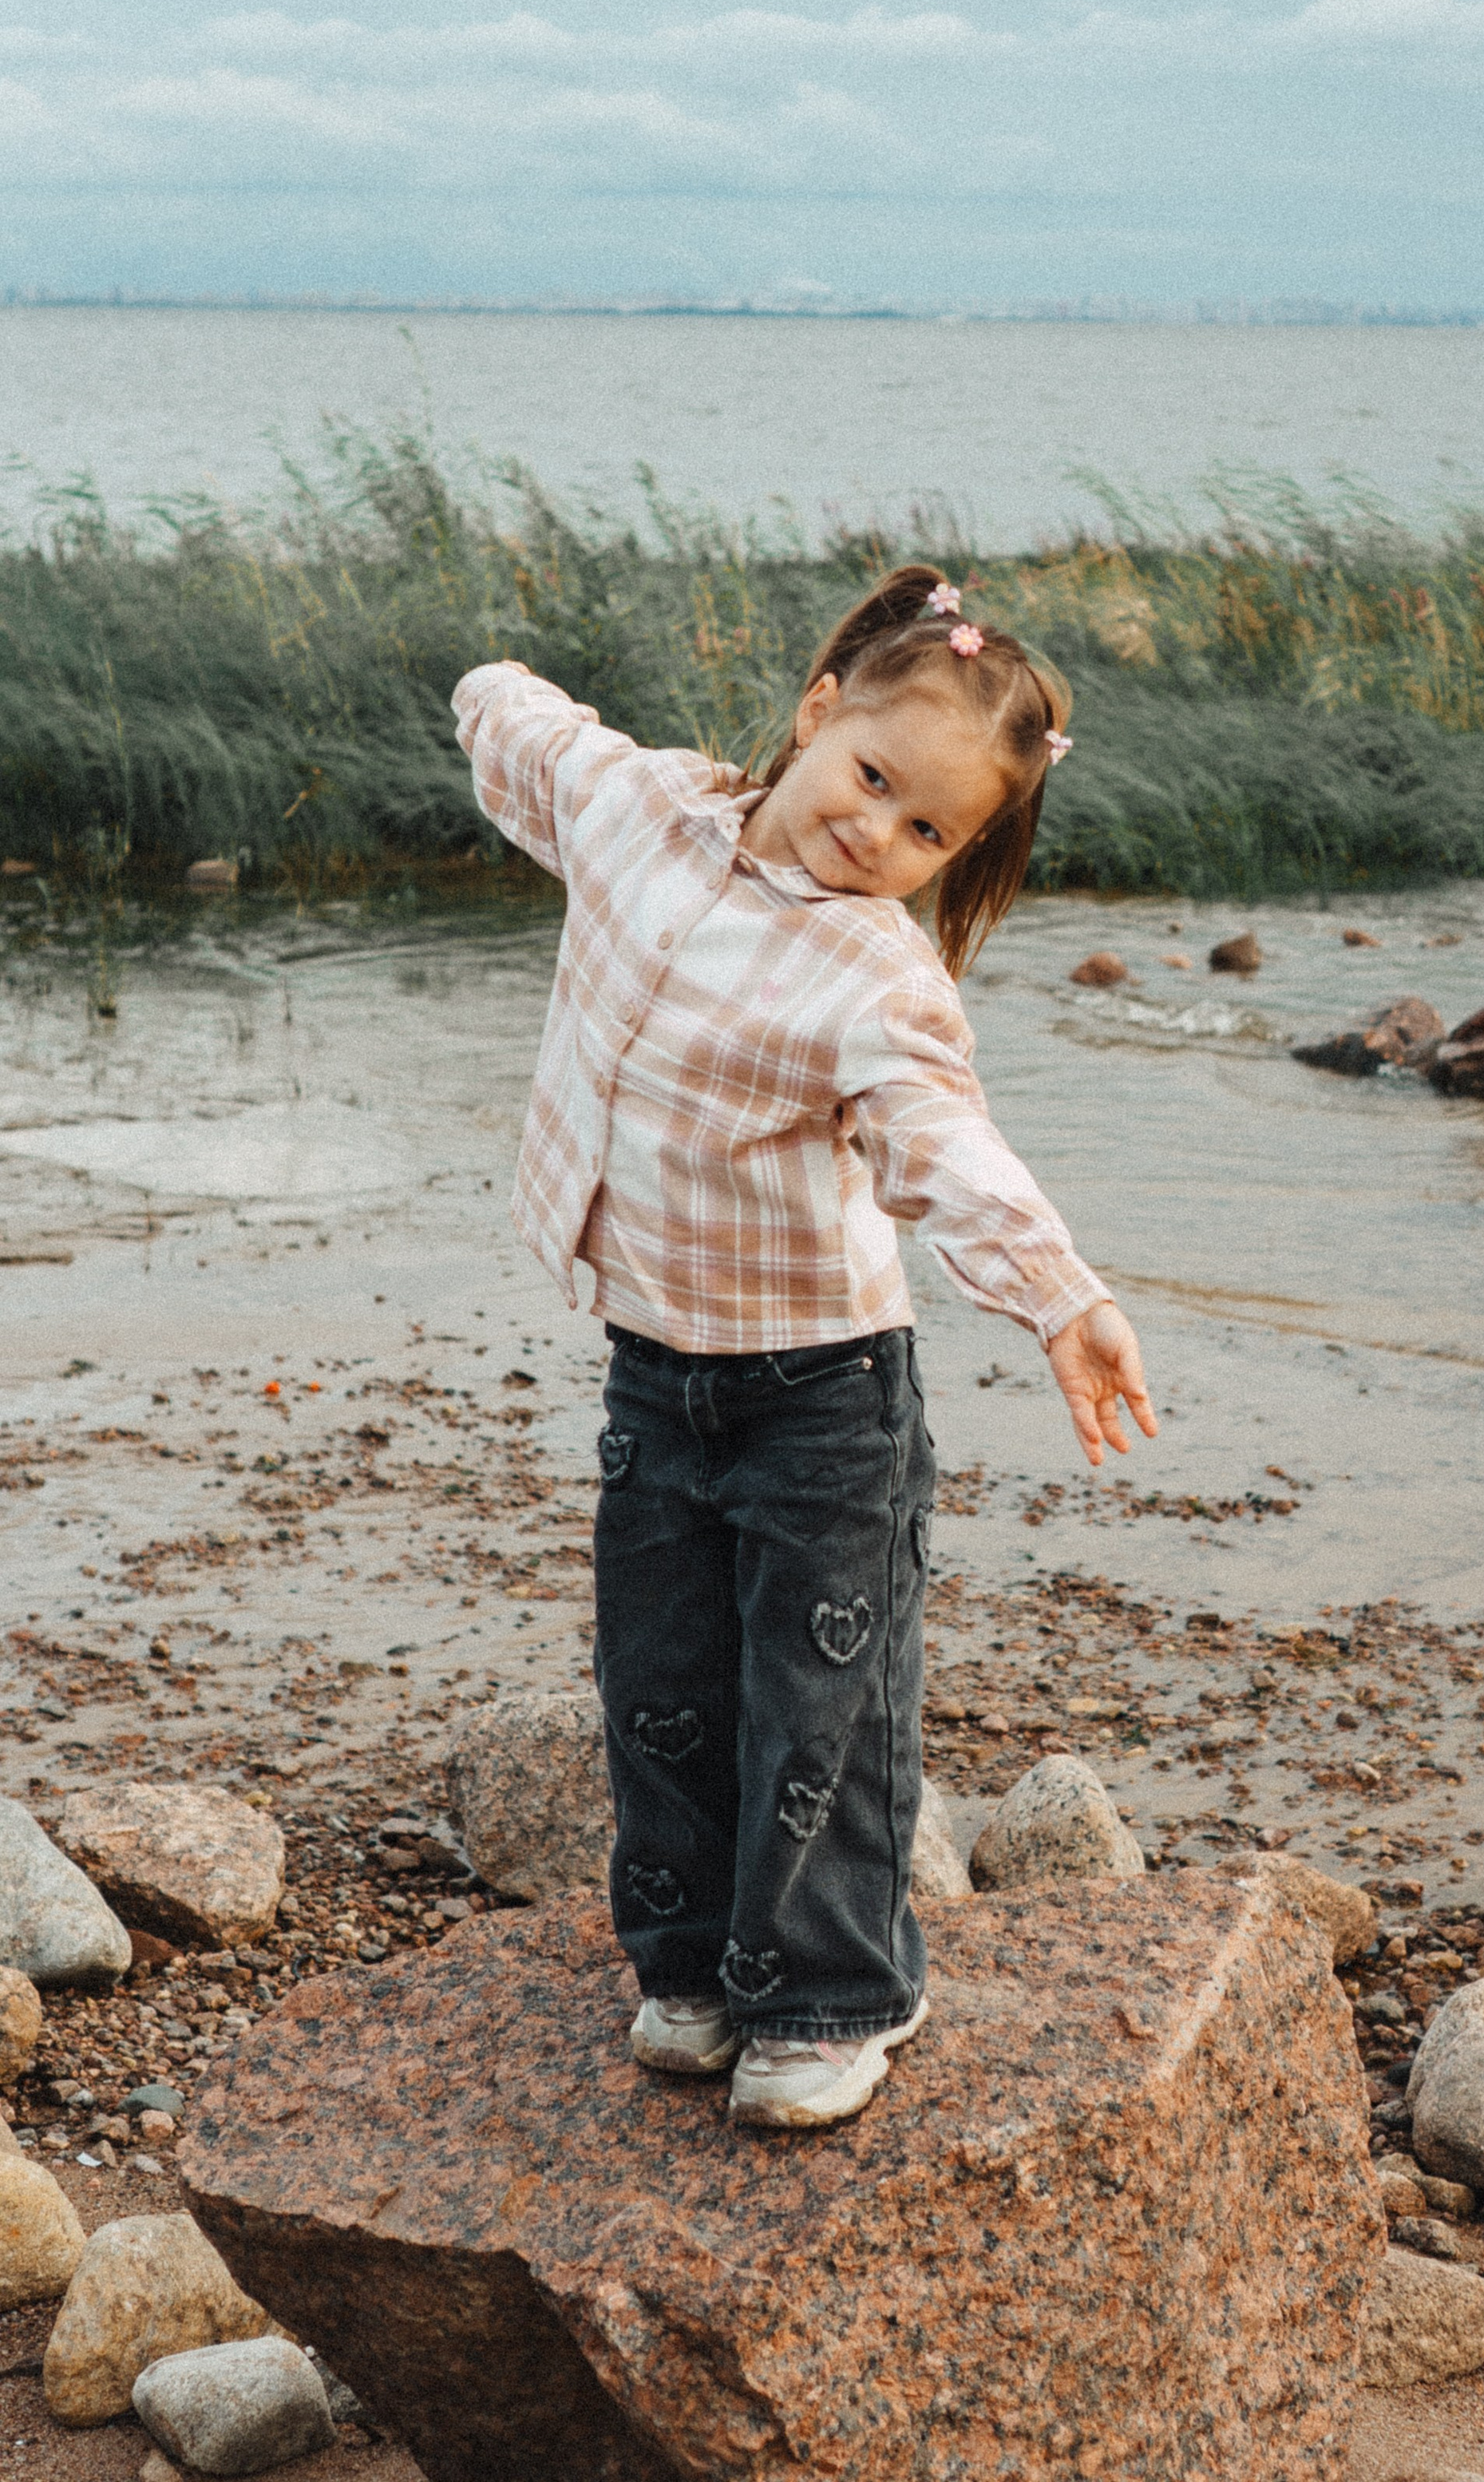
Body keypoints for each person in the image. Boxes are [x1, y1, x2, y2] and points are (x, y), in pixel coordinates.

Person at [453, 568, 1155, 2129]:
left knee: (817, 1707)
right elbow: (530, 729)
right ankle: (698, 1970)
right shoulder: (640, 813)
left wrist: (1060, 1297)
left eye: (927, 835)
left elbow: (942, 1147)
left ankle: (834, 1993)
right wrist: (484, 683)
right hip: (657, 1374)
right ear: (817, 713)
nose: (876, 837)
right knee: (663, 1689)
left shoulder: (874, 977)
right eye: (871, 781)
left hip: (822, 1402)